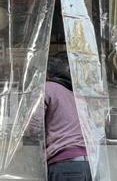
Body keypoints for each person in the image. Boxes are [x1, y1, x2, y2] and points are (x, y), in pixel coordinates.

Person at [33, 52, 92, 181]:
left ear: (48, 73)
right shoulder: (78, 92)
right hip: (86, 163)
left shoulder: (47, 88)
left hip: (65, 164)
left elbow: (34, 127)